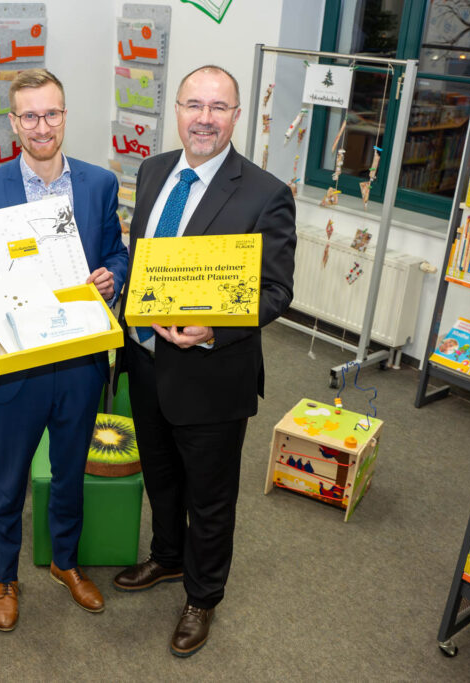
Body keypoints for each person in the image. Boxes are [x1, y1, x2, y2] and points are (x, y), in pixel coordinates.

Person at [112, 65, 296, 657]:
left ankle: (202, 596)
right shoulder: (154, 168)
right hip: (144, 359)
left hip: (212, 372)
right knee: (161, 476)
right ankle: (167, 558)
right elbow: (142, 254)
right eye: (194, 105)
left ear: (237, 116)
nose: (205, 119)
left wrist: (212, 327)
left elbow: (275, 291)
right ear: (178, 111)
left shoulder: (267, 193)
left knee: (210, 497)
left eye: (219, 108)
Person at [0, 68, 129, 632]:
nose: (42, 126)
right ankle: (5, 575)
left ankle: (65, 563)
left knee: (70, 474)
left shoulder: (99, 184)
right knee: (8, 482)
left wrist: (113, 279)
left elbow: (119, 254)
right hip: (17, 365)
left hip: (79, 362)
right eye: (29, 115)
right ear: (13, 122)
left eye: (51, 113)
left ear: (65, 115)